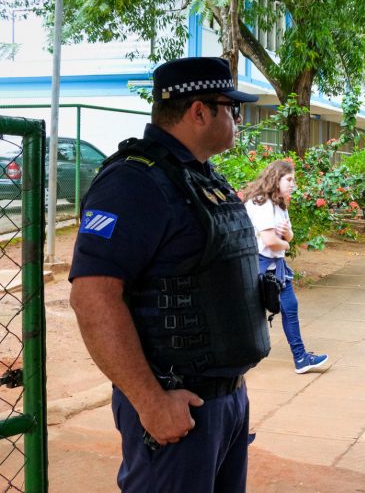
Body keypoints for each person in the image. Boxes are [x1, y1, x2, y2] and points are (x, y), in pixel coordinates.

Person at [69, 57, 269, 492]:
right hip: (175, 405)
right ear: (199, 111)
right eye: (230, 107)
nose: (237, 118)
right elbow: (93, 297)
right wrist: (151, 402)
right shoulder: (133, 182)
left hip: (224, 399)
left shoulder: (197, 177)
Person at [242, 160, 328, 373]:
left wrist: (287, 236)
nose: (293, 184)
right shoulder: (261, 203)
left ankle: (301, 358)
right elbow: (271, 242)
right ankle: (236, 362)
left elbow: (288, 234)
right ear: (275, 178)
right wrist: (287, 243)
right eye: (289, 179)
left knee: (290, 308)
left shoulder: (278, 204)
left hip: (276, 267)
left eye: (293, 180)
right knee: (250, 315)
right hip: (259, 267)